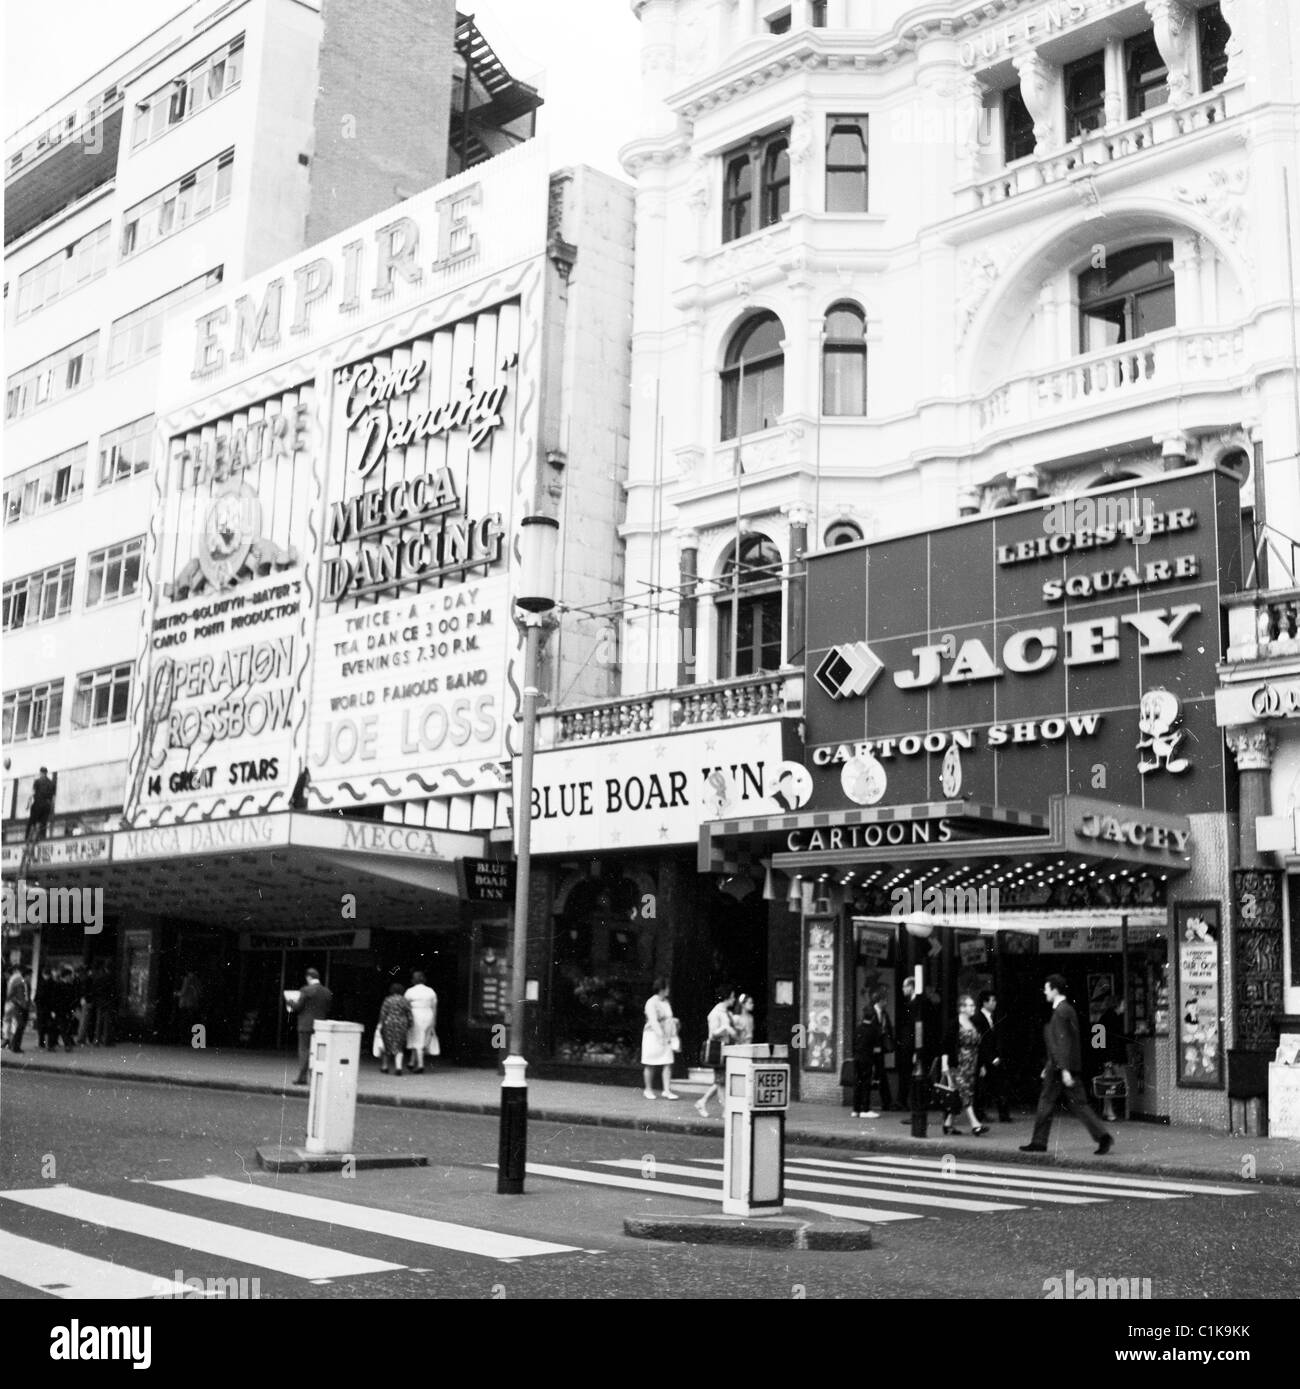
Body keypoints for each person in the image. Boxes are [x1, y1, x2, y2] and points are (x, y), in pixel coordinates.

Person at [1021, 974, 1114, 1156]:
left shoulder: (1061, 1011)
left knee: (1046, 1102)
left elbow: (1062, 1043)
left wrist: (1063, 1070)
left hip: (1060, 1068)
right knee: (1079, 1104)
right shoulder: (1065, 1010)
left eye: (1047, 988)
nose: (1045, 992)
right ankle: (1102, 1136)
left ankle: (1039, 1142)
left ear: (1055, 990)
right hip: (1060, 1066)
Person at [939, 994, 988, 1136]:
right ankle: (975, 1124)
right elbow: (946, 1045)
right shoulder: (954, 1024)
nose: (973, 1008)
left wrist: (982, 1065)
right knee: (965, 1092)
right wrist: (944, 1065)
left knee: (961, 1094)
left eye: (973, 1005)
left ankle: (948, 1124)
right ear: (962, 1008)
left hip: (972, 1063)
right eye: (970, 1005)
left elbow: (979, 1045)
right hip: (958, 1064)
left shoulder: (975, 1023)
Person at [695, 987, 737, 1117]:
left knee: (721, 1080)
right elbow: (713, 1033)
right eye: (732, 996)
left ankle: (702, 1102)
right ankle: (725, 1109)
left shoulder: (725, 1012)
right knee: (720, 1081)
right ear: (727, 997)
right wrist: (726, 1028)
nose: (734, 999)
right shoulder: (716, 1013)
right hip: (718, 1050)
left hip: (726, 1049)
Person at [972, 989, 1012, 1123]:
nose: (995, 1003)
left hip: (991, 1058)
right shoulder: (978, 1019)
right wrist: (990, 1058)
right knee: (987, 1087)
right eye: (992, 1000)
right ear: (984, 1003)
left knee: (993, 1086)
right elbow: (981, 1042)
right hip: (986, 1059)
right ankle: (988, 1113)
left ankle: (997, 1113)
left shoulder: (990, 1017)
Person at [289, 966, 334, 1085]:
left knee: (304, 1050)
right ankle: (315, 1076)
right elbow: (328, 1009)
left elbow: (298, 1007)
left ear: (308, 977)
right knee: (317, 1051)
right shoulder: (327, 992)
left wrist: (290, 1002)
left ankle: (302, 1078)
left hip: (305, 1025)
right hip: (320, 1026)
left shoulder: (306, 990)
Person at [641, 978, 679, 1100]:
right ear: (662, 989)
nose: (668, 990)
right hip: (652, 1035)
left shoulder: (666, 1002)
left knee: (668, 1062)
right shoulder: (651, 1002)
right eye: (666, 988)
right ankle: (648, 1089)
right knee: (650, 1063)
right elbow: (653, 1021)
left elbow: (668, 1018)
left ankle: (667, 1090)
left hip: (666, 1035)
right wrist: (660, 1036)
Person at [1095, 992, 1129, 1122]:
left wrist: (1103, 1057)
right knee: (1115, 1084)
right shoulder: (1113, 1019)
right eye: (1123, 1004)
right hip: (1113, 1058)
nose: (1125, 1007)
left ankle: (1107, 1110)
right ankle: (1116, 1112)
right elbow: (1114, 1040)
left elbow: (1097, 1040)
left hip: (1107, 1057)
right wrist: (1108, 1059)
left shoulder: (1103, 1018)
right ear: (1118, 1004)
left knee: (1107, 1085)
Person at [851, 1004, 882, 1119]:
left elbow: (854, 1044)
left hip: (857, 1058)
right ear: (873, 1017)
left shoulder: (858, 1028)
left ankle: (855, 1109)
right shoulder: (874, 1030)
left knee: (857, 1083)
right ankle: (865, 1109)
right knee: (865, 1083)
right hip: (867, 1059)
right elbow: (877, 1049)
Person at [404, 970, 438, 1073]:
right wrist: (434, 1020)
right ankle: (411, 1062)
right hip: (428, 1014)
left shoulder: (410, 991)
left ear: (413, 980)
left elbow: (405, 1005)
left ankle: (420, 1065)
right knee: (421, 1039)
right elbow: (434, 1007)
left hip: (415, 1015)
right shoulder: (430, 991)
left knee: (416, 1038)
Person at [377, 982, 413, 1075]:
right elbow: (409, 1014)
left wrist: (380, 1024)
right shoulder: (405, 1001)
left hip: (389, 1023)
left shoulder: (388, 1000)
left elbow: (383, 1013)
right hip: (402, 1024)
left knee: (387, 1045)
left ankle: (384, 1066)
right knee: (399, 1046)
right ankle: (398, 1067)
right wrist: (410, 1024)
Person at [869, 986, 895, 1110]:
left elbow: (887, 1030)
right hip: (870, 1049)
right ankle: (865, 1103)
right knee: (870, 1075)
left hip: (880, 1050)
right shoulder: (869, 1012)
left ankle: (887, 1102)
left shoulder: (884, 1014)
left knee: (881, 1074)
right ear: (879, 1001)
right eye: (885, 1000)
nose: (886, 1003)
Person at [896, 977, 918, 1108]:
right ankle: (903, 1100)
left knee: (907, 1073)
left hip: (910, 1046)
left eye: (905, 987)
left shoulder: (914, 1004)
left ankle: (904, 1100)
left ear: (911, 987)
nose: (903, 989)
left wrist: (916, 1050)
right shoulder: (911, 1003)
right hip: (907, 1045)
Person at [25, 768, 56, 844]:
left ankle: (27, 839)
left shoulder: (37, 781)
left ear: (41, 773)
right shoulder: (52, 783)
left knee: (32, 822)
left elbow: (32, 794)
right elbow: (53, 799)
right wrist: (52, 810)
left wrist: (28, 805)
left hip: (38, 804)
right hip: (47, 806)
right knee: (41, 824)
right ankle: (38, 838)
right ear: (46, 773)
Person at [5, 966, 30, 1053]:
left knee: (21, 1027)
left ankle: (15, 1045)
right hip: (19, 1007)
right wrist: (20, 1004)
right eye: (29, 976)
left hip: (24, 1007)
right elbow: (15, 996)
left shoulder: (27, 984)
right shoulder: (19, 984)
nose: (30, 978)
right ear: (26, 975)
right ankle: (15, 1047)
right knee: (19, 1026)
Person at [91, 961, 115, 1047]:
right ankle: (106, 1041)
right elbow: (113, 991)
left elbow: (95, 990)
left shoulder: (99, 978)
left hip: (100, 1002)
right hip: (108, 1002)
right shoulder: (111, 978)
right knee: (106, 1023)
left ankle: (96, 1040)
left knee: (99, 1022)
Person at [174, 971, 202, 1043]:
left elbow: (183, 992)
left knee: (184, 1023)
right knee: (191, 1022)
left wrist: (176, 993)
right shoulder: (196, 979)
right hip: (193, 1003)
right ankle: (192, 1040)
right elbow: (199, 992)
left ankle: (184, 1039)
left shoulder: (187, 979)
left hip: (186, 1003)